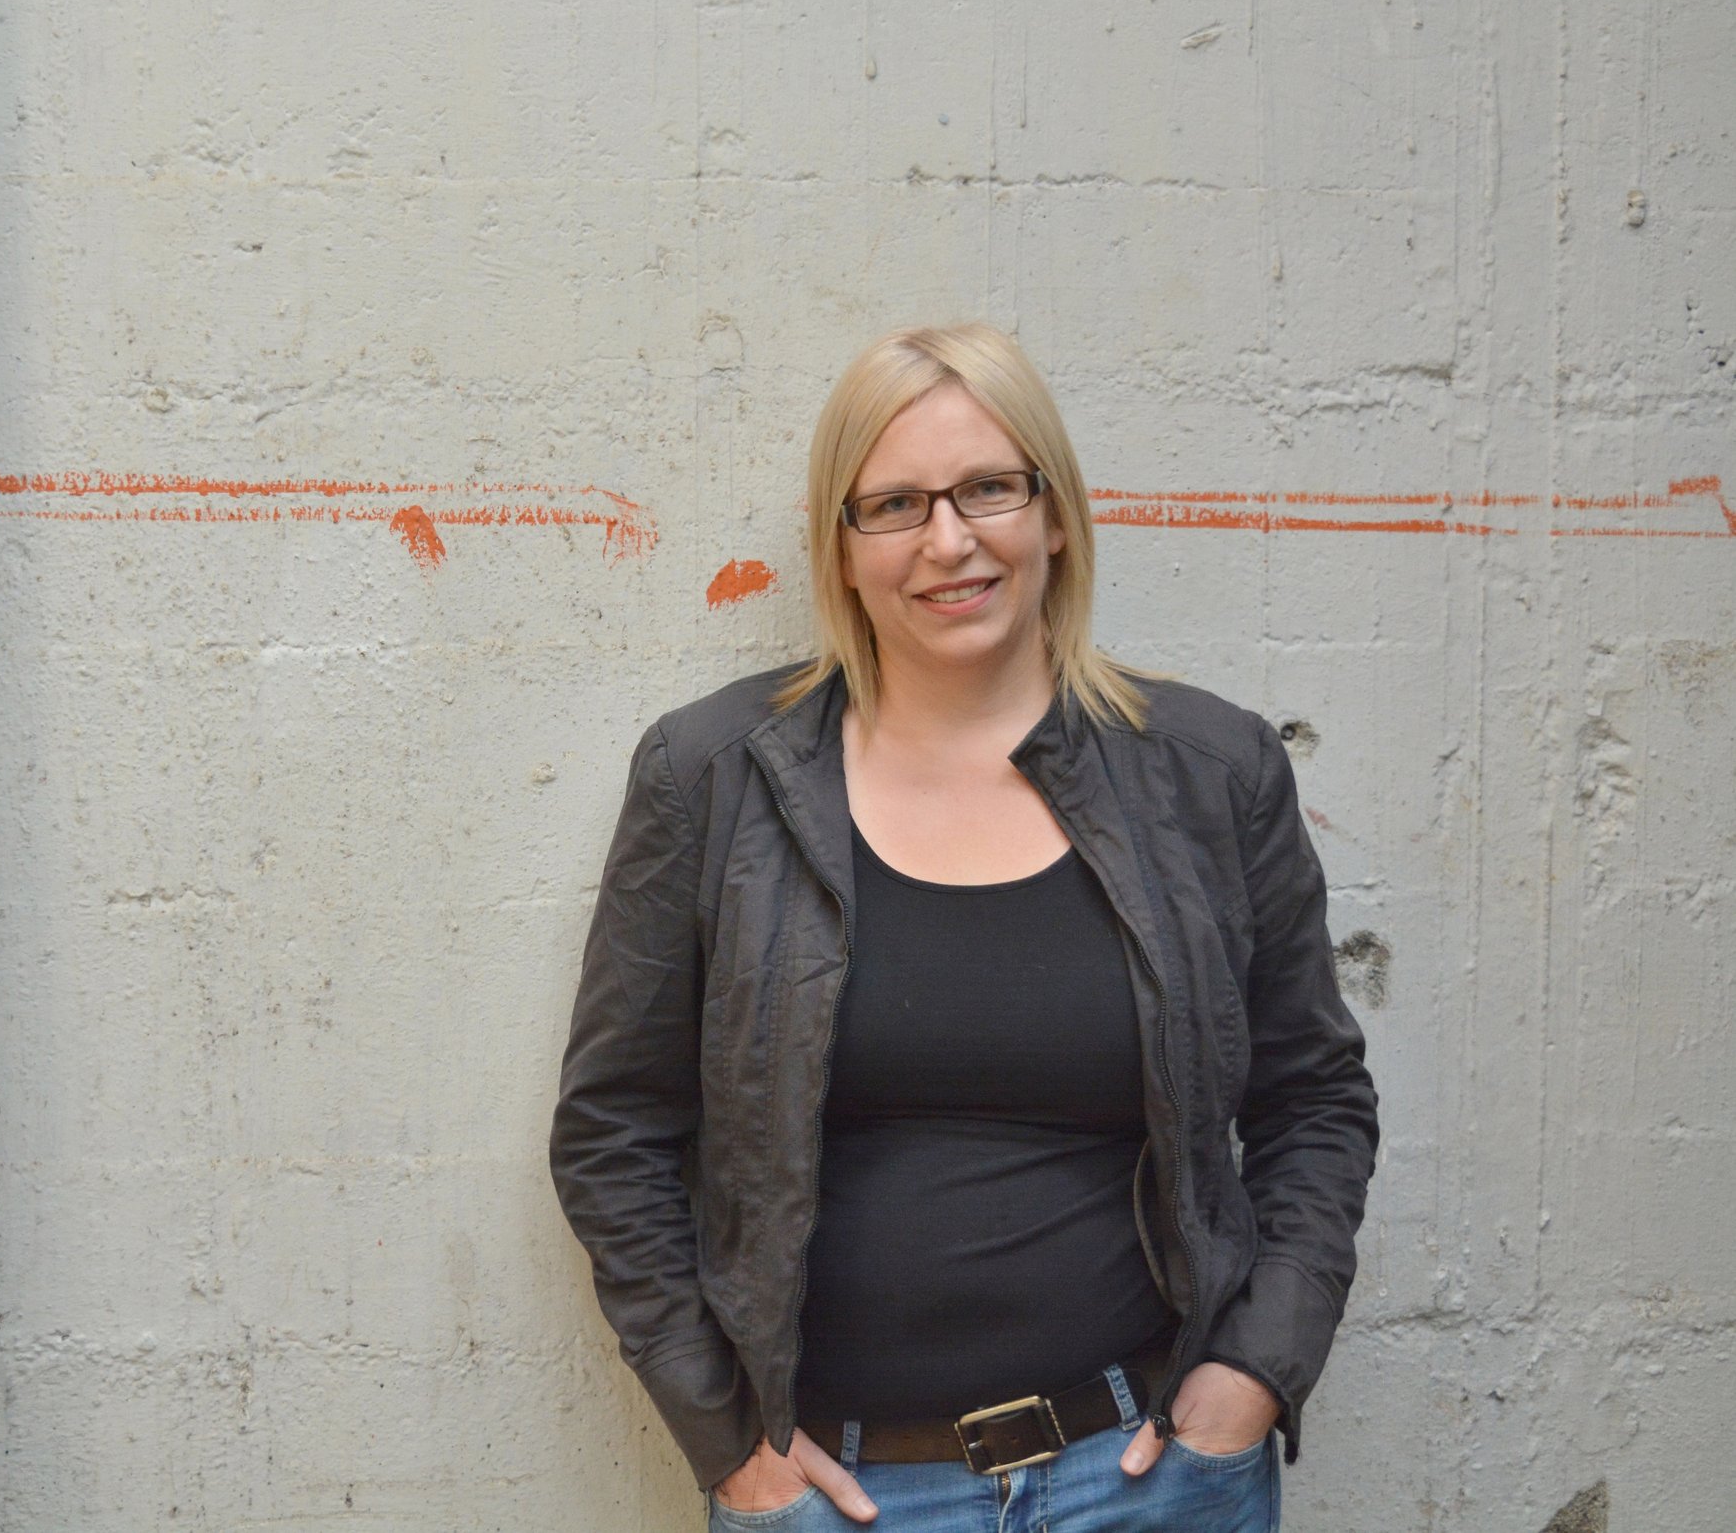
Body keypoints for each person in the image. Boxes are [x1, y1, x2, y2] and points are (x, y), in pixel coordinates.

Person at [548, 323, 1378, 1530]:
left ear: (1054, 512)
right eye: (891, 502)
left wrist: (1250, 1377)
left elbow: (1313, 1099)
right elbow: (612, 1130)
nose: (948, 539)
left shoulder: (1208, 772)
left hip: (1148, 1477)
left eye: (987, 486)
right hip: (841, 1494)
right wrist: (733, 1445)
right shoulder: (711, 778)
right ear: (837, 545)